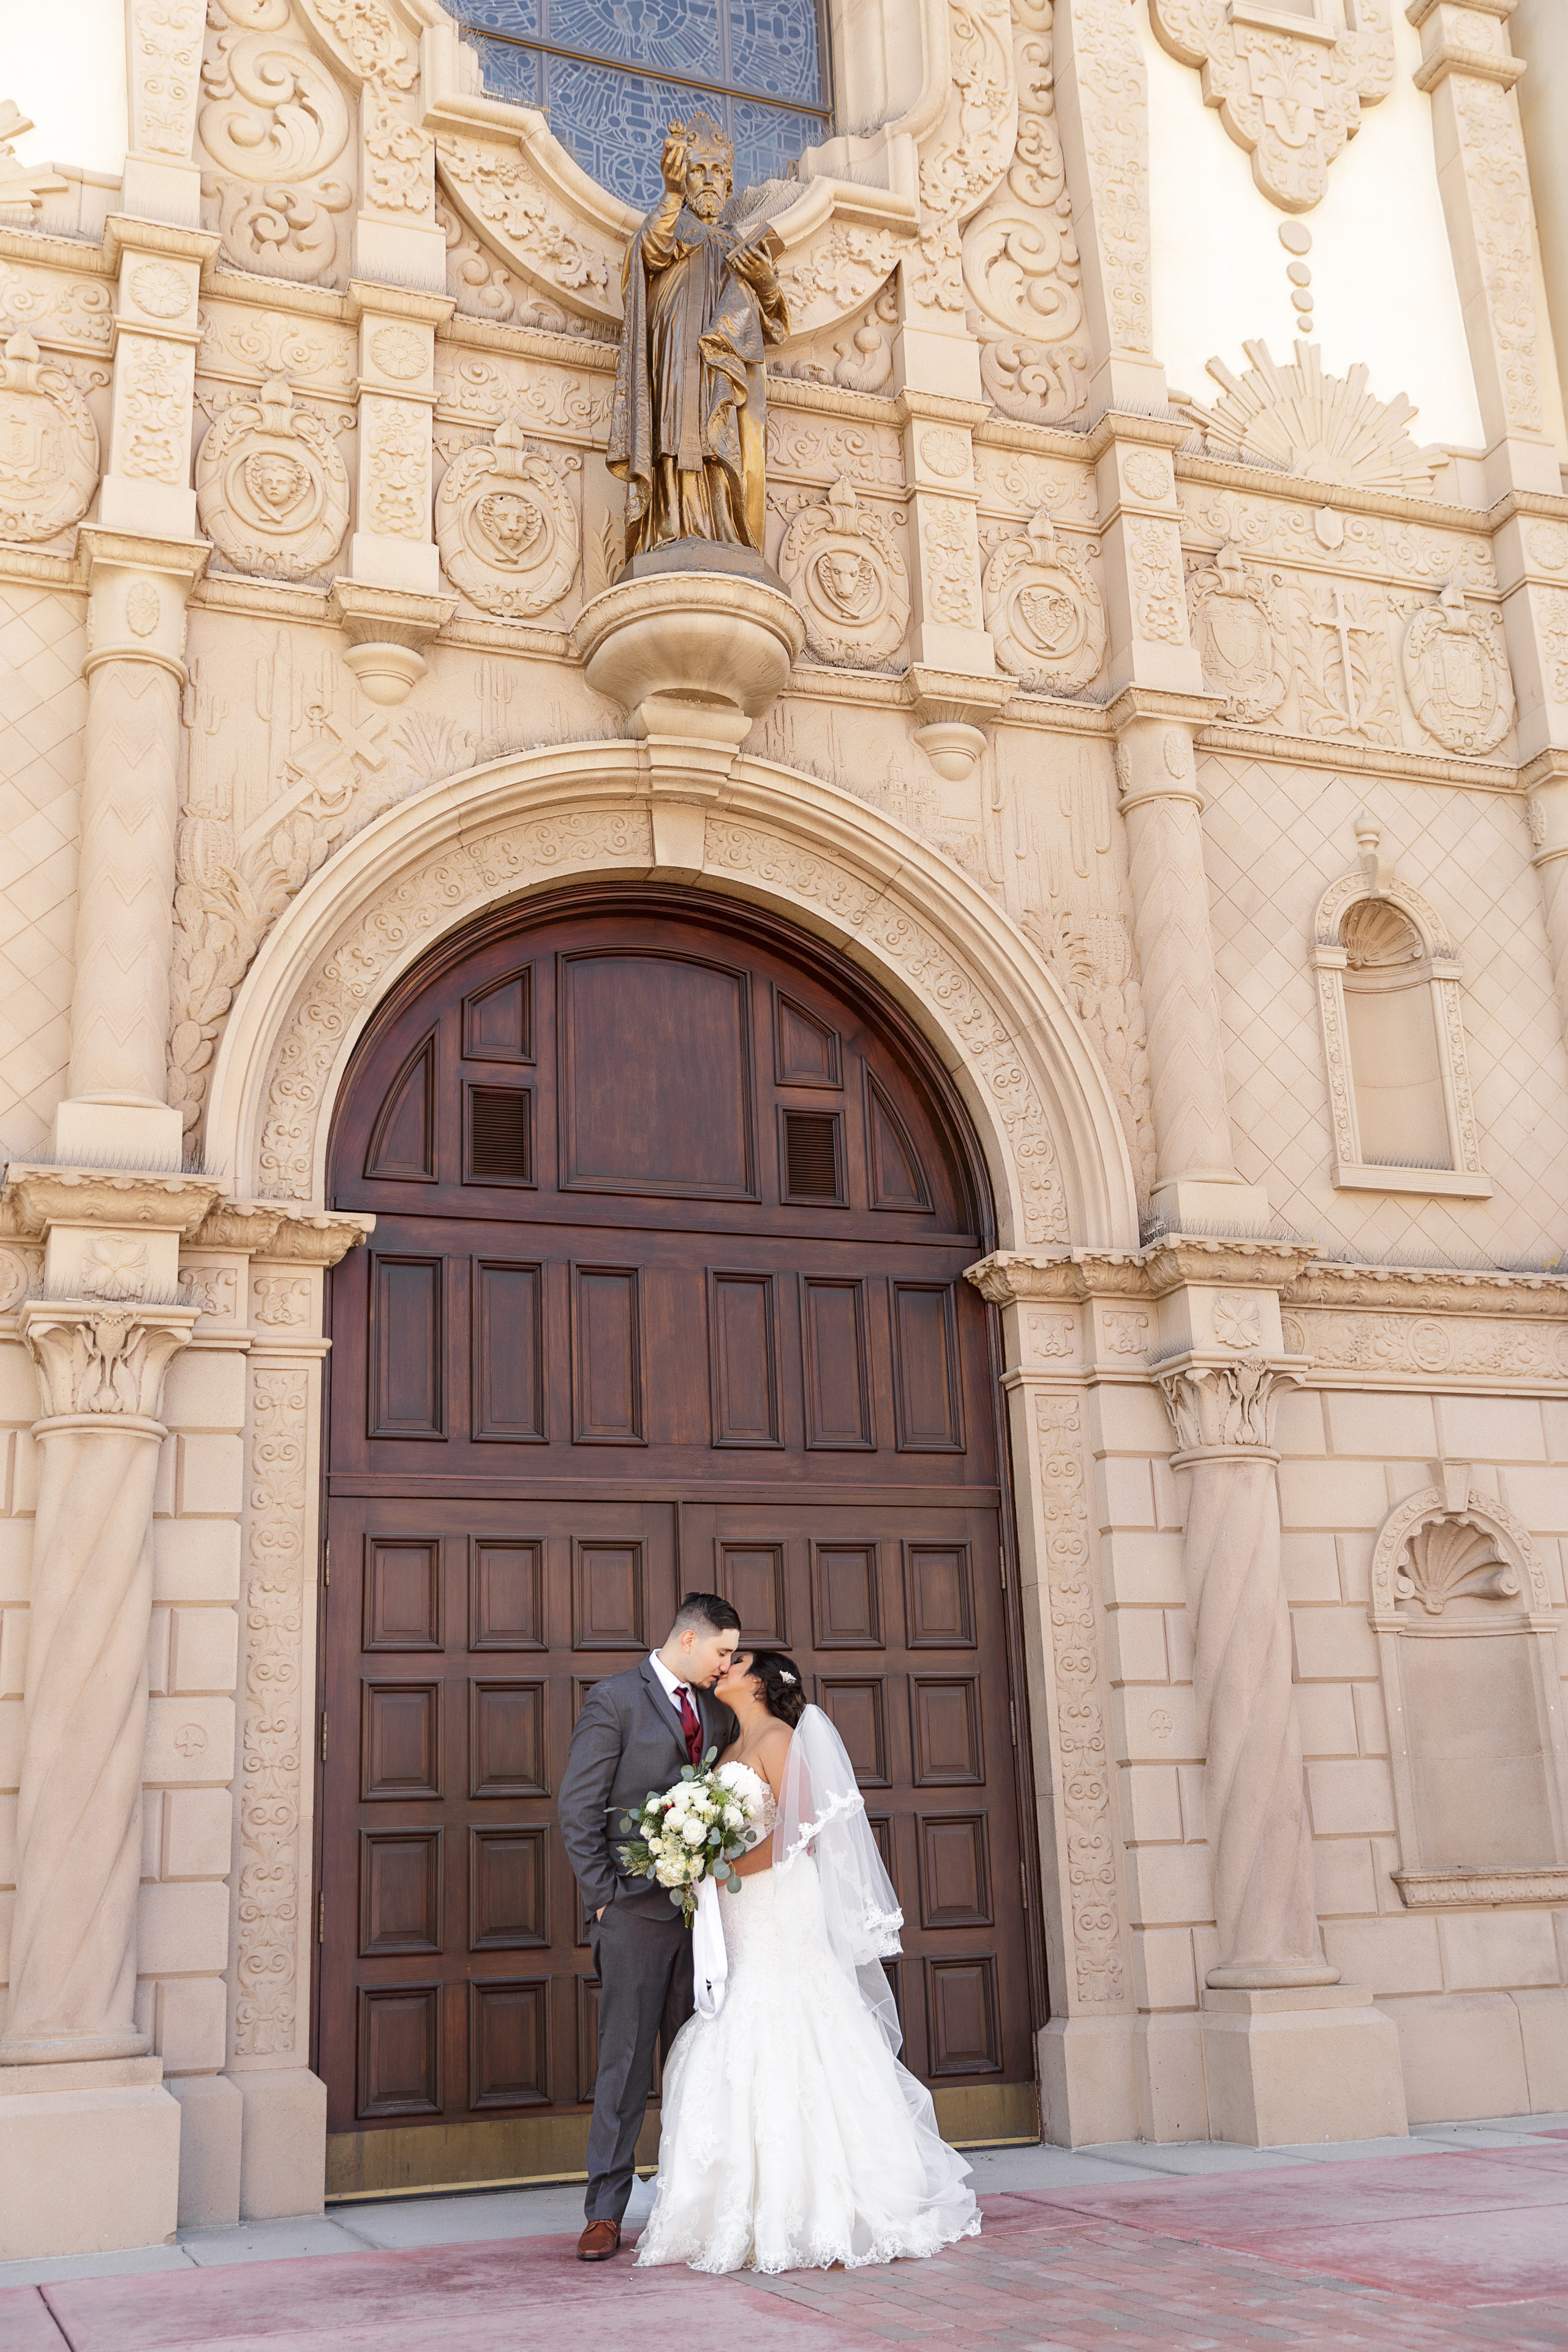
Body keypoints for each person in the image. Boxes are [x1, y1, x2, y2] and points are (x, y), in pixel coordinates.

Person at [634, 1648, 981, 2275]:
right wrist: (692, 1859)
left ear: (762, 1682)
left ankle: (820, 2206)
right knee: (740, 2017)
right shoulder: (732, 1744)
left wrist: (716, 1868)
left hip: (777, 1901)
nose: (723, 1669)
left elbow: (800, 1833)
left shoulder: (782, 1737)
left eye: (735, 1662)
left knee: (788, 2015)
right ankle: (735, 2206)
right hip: (740, 1909)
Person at [557, 1591, 741, 2261]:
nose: (727, 1665)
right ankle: (605, 2212)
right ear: (688, 1640)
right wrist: (604, 1898)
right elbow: (578, 1807)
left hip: (706, 1920)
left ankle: (693, 2202)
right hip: (632, 1913)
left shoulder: (719, 1711)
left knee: (701, 2063)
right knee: (626, 2064)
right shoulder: (614, 1699)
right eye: (722, 1651)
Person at [606, 111, 788, 562]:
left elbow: (774, 323)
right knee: (673, 429)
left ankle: (722, 527)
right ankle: (669, 524)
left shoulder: (737, 247)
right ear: (683, 181)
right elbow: (649, 252)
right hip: (674, 356)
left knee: (717, 431)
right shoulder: (671, 229)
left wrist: (765, 283)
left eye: (718, 173)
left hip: (719, 364)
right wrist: (668, 197)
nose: (708, 181)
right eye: (697, 171)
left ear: (729, 186)